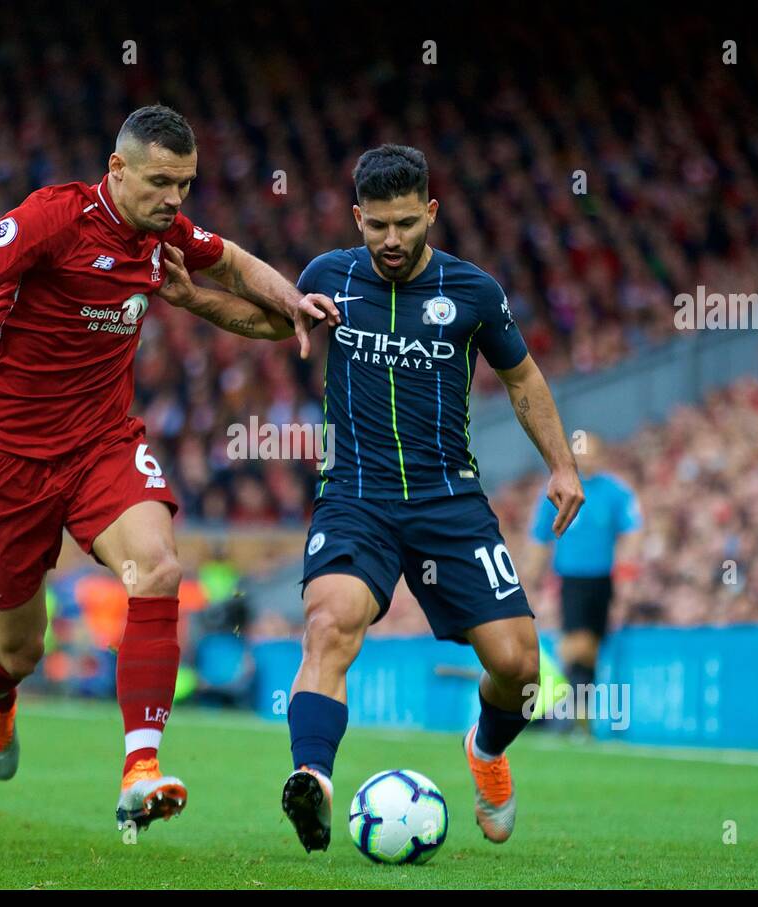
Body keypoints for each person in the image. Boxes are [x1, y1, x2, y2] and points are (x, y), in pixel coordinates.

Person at [0, 104, 338, 834]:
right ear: (117, 169)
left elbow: (235, 262)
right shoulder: (56, 218)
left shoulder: (165, 233)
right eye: (160, 182)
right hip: (5, 458)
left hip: (101, 445)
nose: (175, 199)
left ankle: (140, 768)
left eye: (185, 183)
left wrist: (291, 300)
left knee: (160, 568)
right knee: (22, 647)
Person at [268, 144, 584, 852]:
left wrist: (561, 465)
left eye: (406, 223)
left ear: (430, 213)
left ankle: (486, 751)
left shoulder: (472, 291)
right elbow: (268, 317)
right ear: (357, 217)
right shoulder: (328, 277)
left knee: (518, 668)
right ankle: (313, 780)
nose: (391, 239)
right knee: (330, 622)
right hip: (356, 495)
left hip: (449, 500)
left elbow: (524, 380)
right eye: (376, 225)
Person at [522, 432, 642, 725]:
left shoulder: (615, 492)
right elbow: (539, 536)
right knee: (578, 641)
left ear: (600, 456)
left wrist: (626, 574)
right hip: (571, 578)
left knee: (592, 646)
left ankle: (577, 710)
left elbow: (632, 531)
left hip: (602, 579)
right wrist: (529, 578)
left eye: (590, 452)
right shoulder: (557, 490)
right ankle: (573, 710)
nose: (585, 458)